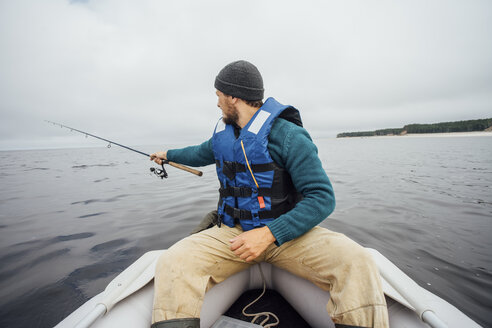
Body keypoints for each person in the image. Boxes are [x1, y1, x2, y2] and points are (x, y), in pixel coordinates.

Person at [150, 60, 389, 328]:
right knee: (173, 261)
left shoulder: (289, 136)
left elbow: (322, 197)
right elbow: (199, 153)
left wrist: (268, 234)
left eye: (218, 96)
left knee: (357, 261)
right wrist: (167, 155)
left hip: (286, 237)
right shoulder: (224, 135)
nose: (217, 103)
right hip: (234, 233)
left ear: (233, 96)